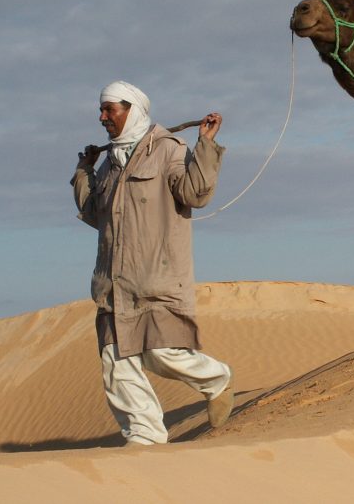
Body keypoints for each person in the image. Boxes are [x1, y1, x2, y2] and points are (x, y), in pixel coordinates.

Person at [72, 80, 234, 446]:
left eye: (109, 109)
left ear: (132, 110)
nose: (102, 117)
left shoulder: (167, 149)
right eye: (101, 110)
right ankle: (145, 439)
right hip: (114, 285)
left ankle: (216, 379)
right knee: (116, 365)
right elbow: (95, 214)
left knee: (160, 352)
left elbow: (195, 194)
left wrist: (205, 145)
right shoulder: (109, 164)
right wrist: (84, 171)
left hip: (156, 278)